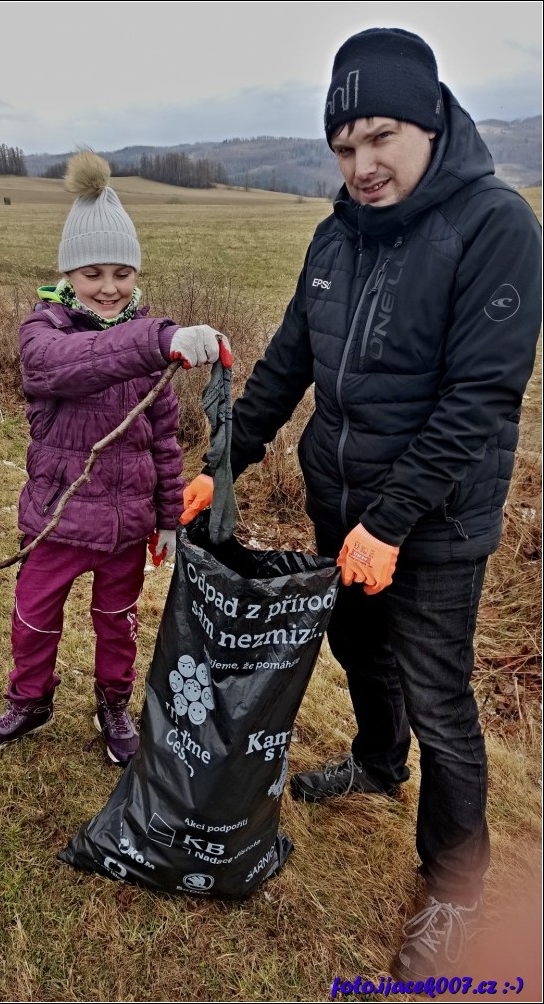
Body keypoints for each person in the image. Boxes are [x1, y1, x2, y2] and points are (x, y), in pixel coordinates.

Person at [181, 27, 542, 980]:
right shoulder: (335, 233)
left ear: (426, 123)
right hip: (341, 501)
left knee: (440, 696)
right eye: (343, 147)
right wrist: (229, 458)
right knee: (354, 648)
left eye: (379, 136)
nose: (362, 164)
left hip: (436, 520)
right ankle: (378, 767)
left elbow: (480, 400)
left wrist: (391, 523)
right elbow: (289, 360)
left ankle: (454, 890)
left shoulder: (495, 226)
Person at [0, 150, 231, 766]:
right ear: (67, 275)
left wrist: (168, 517)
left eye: (122, 272)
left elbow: (164, 442)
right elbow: (74, 364)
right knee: (34, 619)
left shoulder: (150, 345)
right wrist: (159, 341)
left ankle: (112, 705)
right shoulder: (44, 332)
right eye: (92, 273)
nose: (110, 287)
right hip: (57, 523)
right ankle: (29, 701)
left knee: (119, 624)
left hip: (125, 530)